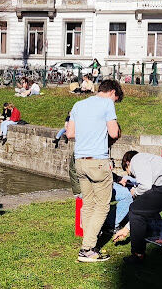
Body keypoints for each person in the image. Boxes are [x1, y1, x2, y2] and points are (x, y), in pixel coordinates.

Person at [65, 79, 123, 263]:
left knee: (88, 203)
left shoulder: (78, 104)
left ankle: (88, 242)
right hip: (98, 161)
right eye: (116, 100)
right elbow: (114, 133)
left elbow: (70, 133)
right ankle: (87, 249)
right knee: (103, 205)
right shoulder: (106, 103)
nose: (114, 103)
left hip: (80, 161)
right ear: (112, 93)